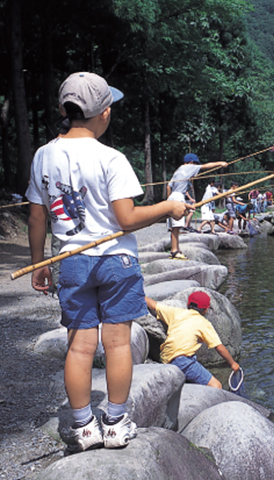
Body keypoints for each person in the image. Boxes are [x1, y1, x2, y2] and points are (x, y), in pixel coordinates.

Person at [26, 72, 192, 452]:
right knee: (117, 344)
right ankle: (115, 422)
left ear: (63, 110)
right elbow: (127, 219)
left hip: (72, 261)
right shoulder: (111, 157)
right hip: (116, 261)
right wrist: (170, 207)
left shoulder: (43, 155)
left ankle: (84, 427)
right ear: (103, 113)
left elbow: (37, 216)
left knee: (80, 347)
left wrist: (39, 263)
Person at [144, 293, 239, 389]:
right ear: (206, 309)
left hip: (165, 358)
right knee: (216, 385)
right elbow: (219, 347)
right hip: (182, 360)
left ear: (188, 305)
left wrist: (140, 296)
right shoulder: (204, 323)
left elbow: (153, 305)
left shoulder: (177, 313)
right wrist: (233, 364)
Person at [167, 154, 228, 259]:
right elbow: (207, 166)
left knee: (174, 227)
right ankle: (174, 251)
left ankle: (175, 249)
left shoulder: (178, 170)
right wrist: (221, 163)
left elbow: (168, 186)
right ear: (191, 162)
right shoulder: (190, 166)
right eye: (195, 163)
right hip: (178, 197)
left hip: (172, 197)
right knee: (176, 227)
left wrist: (168, 200)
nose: (196, 166)